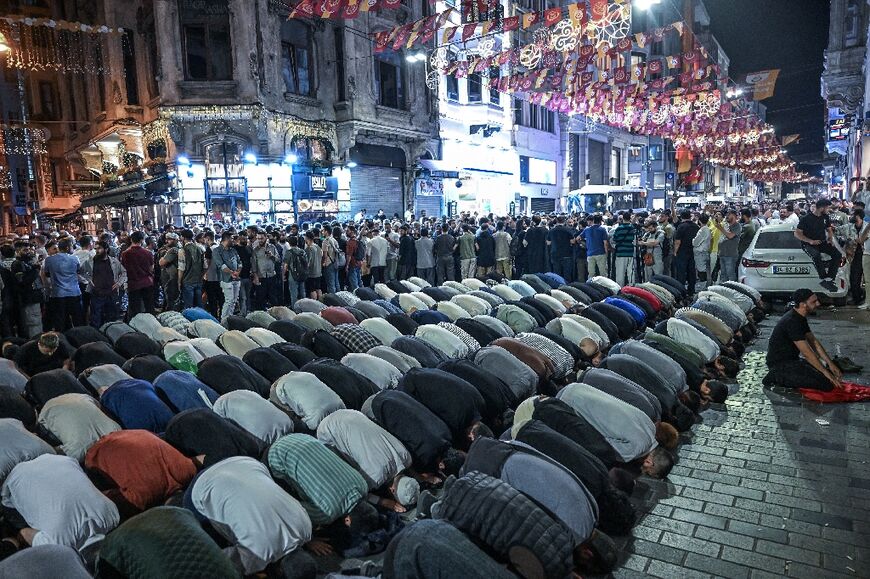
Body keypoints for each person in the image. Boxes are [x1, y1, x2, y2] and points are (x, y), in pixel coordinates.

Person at [763, 289, 841, 391]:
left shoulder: (800, 317)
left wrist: (830, 364)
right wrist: (826, 374)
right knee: (826, 384)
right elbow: (807, 353)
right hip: (780, 365)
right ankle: (776, 376)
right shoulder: (792, 321)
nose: (818, 303)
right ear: (802, 304)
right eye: (813, 302)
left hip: (792, 361)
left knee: (826, 374)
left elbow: (813, 342)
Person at [794, 199, 841, 292]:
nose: (829, 210)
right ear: (822, 208)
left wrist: (830, 238)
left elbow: (829, 229)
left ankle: (829, 279)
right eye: (827, 208)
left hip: (822, 242)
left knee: (837, 254)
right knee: (816, 255)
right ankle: (823, 277)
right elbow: (797, 233)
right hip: (808, 244)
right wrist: (810, 241)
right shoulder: (806, 219)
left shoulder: (825, 217)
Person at [79, 241, 126, 327]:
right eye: (96, 248)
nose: (97, 250)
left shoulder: (113, 261)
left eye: (99, 248)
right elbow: (81, 271)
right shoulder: (91, 261)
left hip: (111, 293)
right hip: (97, 294)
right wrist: (89, 280)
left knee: (111, 318)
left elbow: (124, 272)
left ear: (106, 249)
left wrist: (119, 283)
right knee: (96, 319)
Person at [41, 238, 84, 331]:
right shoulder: (74, 258)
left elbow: (47, 273)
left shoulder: (49, 260)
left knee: (60, 321)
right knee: (77, 320)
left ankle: (62, 340)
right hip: (74, 292)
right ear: (68, 247)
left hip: (58, 294)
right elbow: (78, 271)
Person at [121, 231, 155, 320]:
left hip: (133, 283)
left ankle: (135, 326)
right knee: (149, 306)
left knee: (135, 308)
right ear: (142, 240)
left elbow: (123, 269)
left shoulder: (125, 254)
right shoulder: (148, 253)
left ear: (131, 239)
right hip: (147, 282)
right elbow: (151, 268)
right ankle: (152, 324)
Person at [211, 232, 242, 323]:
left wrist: (238, 272)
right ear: (227, 239)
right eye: (232, 238)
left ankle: (230, 318)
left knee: (234, 301)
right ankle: (223, 320)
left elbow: (239, 262)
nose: (234, 240)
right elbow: (221, 265)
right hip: (225, 279)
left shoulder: (233, 250)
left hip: (236, 278)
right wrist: (232, 272)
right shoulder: (217, 251)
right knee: (229, 300)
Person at [251, 231, 281, 310]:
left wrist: (272, 256)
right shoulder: (255, 250)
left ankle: (276, 314)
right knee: (260, 298)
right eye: (258, 238)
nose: (260, 240)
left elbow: (278, 260)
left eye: (261, 238)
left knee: (273, 297)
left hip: (271, 275)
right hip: (261, 276)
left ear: (266, 238)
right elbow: (254, 265)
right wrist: (255, 277)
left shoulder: (272, 247)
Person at [672, 210, 699, 295]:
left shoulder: (681, 226)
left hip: (682, 252)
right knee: (691, 271)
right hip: (693, 251)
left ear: (682, 217)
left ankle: (681, 291)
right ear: (690, 216)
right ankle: (691, 290)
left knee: (681, 272)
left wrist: (675, 251)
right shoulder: (696, 226)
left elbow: (677, 241)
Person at [176, 229, 205, 310]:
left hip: (188, 281)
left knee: (189, 306)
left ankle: (191, 322)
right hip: (198, 280)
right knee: (199, 305)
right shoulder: (200, 248)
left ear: (183, 237)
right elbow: (205, 266)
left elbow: (181, 268)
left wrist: (179, 282)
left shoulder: (182, 250)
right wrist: (201, 276)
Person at [713, 210, 741, 283]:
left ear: (734, 216)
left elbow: (730, 236)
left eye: (729, 214)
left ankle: (732, 291)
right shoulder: (726, 225)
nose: (727, 216)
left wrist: (720, 228)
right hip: (722, 254)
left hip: (730, 255)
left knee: (730, 274)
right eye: (726, 214)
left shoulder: (737, 226)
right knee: (723, 275)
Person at [609, 213, 636, 286]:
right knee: (631, 273)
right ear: (630, 218)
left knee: (620, 273)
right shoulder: (633, 228)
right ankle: (631, 287)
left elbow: (614, 239)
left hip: (620, 253)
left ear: (623, 218)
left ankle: (620, 289)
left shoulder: (619, 228)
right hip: (630, 252)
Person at [547, 215, 575, 283]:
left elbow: (548, 243)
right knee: (567, 274)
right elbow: (573, 241)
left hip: (555, 254)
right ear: (564, 221)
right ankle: (567, 288)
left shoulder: (551, 231)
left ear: (556, 221)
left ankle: (558, 287)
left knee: (557, 274)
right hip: (567, 254)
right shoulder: (568, 230)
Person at [157, 233, 180, 311]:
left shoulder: (174, 250)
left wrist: (163, 255)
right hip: (169, 277)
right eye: (166, 239)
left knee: (171, 298)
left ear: (176, 240)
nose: (167, 241)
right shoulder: (169, 249)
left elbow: (161, 263)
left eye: (169, 239)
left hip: (172, 278)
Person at [582, 215, 609, 279]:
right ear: (600, 221)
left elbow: (578, 238)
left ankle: (591, 286)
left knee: (591, 274)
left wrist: (585, 244)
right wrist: (606, 252)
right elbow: (605, 242)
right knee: (603, 273)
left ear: (593, 220)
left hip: (590, 253)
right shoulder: (602, 229)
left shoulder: (587, 230)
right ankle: (605, 287)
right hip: (601, 253)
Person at [692, 214, 712, 290]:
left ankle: (702, 287)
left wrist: (693, 240)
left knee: (701, 270)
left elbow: (695, 242)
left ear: (699, 221)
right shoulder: (708, 229)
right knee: (705, 270)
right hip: (705, 251)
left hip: (700, 253)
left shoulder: (702, 230)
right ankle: (705, 285)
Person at [304, 231, 323, 300]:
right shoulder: (318, 247)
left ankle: (314, 304)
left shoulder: (309, 249)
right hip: (318, 271)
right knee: (318, 288)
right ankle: (321, 303)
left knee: (312, 290)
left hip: (311, 272)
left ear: (306, 237)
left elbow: (308, 262)